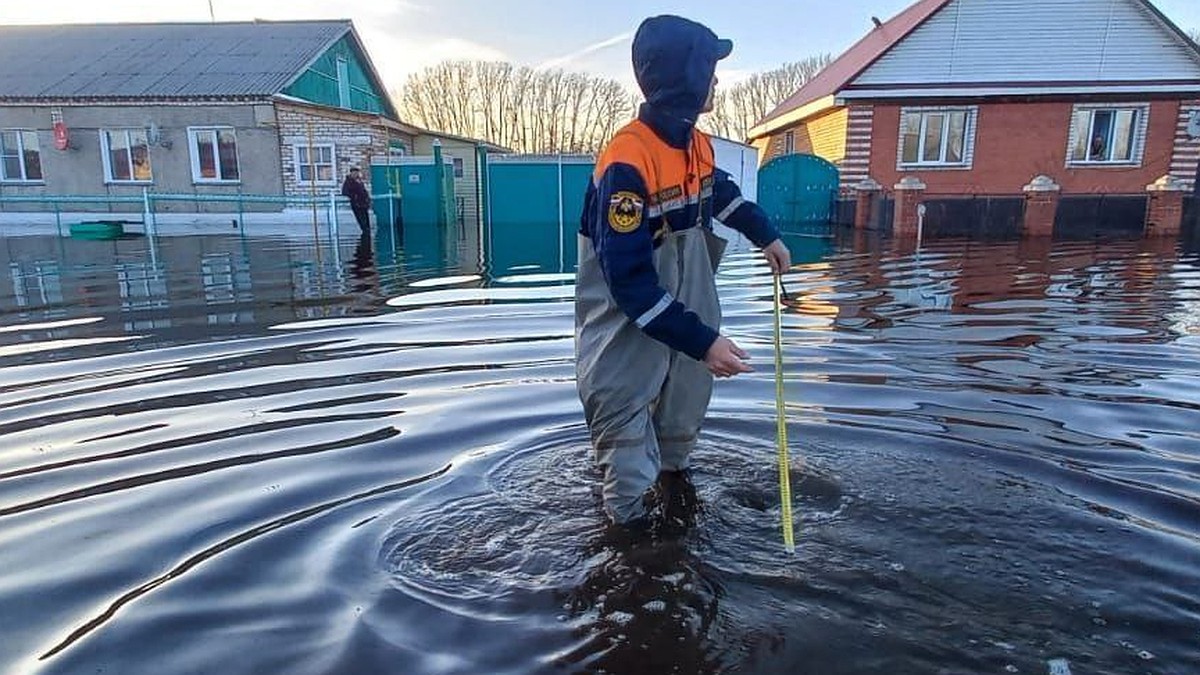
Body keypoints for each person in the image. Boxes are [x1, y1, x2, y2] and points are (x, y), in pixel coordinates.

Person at [575, 15, 792, 528]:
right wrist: (705, 343)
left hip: (679, 327)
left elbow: (720, 193)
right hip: (625, 337)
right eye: (710, 68)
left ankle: (673, 529)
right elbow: (629, 284)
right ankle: (625, 572)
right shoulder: (627, 162)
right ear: (686, 75)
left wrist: (766, 234)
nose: (717, 80)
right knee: (626, 471)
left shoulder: (695, 145)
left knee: (676, 437)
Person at [341, 167, 372, 234]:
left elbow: (364, 191)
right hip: (356, 204)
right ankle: (365, 233)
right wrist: (354, 196)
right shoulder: (348, 181)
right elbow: (344, 192)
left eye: (356, 172)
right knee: (361, 220)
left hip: (363, 203)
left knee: (366, 220)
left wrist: (367, 200)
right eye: (354, 173)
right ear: (351, 173)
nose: (355, 174)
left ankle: (367, 234)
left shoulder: (359, 181)